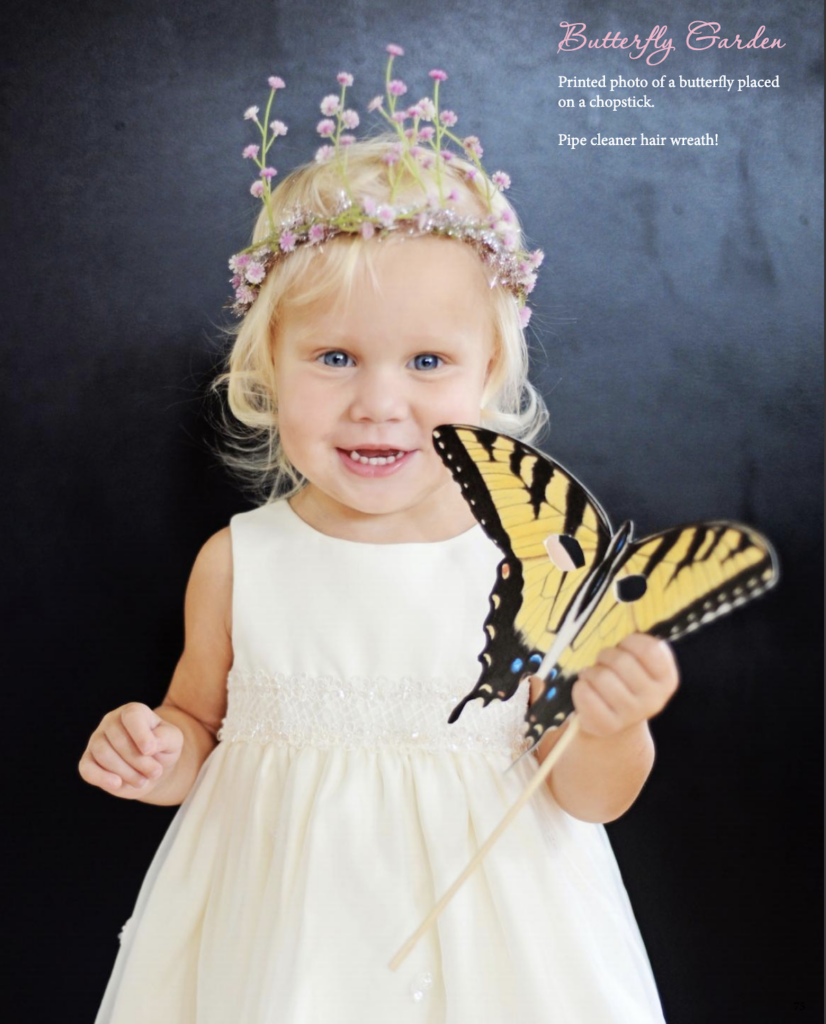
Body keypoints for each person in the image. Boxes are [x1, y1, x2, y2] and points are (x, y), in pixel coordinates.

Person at [80, 47, 679, 1024]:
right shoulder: (241, 560)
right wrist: (153, 748)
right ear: (266, 366)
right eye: (335, 357)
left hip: (495, 943)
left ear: (490, 374)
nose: (378, 403)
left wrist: (613, 724)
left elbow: (587, 797)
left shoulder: (532, 565)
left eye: (428, 360)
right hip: (283, 932)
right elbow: (197, 727)